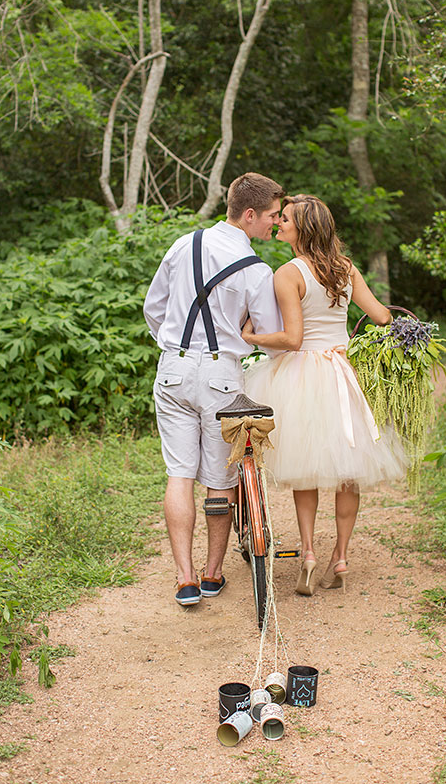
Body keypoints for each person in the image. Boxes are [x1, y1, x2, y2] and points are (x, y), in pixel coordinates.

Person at [242, 194, 407, 595]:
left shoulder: (288, 273)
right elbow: (384, 317)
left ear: (304, 228)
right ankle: (342, 555)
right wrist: (353, 343)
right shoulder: (345, 269)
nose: (279, 222)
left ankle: (310, 551)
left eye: (287, 219)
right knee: (348, 468)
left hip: (301, 374)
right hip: (342, 371)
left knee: (306, 464)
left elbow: (293, 339)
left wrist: (250, 336)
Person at [143, 172, 284, 608]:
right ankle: (212, 573)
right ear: (248, 214)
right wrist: (239, 334)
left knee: (179, 474)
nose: (275, 225)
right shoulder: (257, 270)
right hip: (222, 374)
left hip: (172, 368)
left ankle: (184, 579)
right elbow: (270, 331)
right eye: (272, 217)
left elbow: (154, 308)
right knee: (220, 480)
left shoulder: (184, 244)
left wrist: (176, 348)